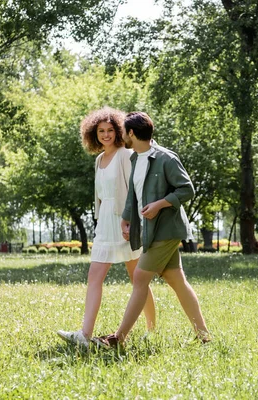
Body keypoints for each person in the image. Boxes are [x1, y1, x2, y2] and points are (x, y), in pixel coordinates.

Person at [93, 111, 210, 349]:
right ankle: (204, 336)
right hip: (150, 229)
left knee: (139, 278)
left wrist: (160, 204)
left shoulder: (165, 158)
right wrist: (126, 218)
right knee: (177, 281)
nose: (120, 135)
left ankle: (118, 338)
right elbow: (134, 195)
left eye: (123, 131)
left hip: (166, 230)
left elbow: (187, 190)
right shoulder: (136, 158)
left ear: (132, 133)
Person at [57, 107, 156, 348]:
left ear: (119, 131)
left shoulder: (125, 154)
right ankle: (85, 334)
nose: (106, 135)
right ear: (93, 133)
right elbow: (99, 197)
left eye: (110, 130)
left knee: (137, 278)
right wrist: (99, 220)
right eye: (101, 131)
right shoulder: (99, 159)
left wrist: (132, 221)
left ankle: (152, 330)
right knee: (94, 277)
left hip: (125, 222)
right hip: (105, 226)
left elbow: (134, 189)